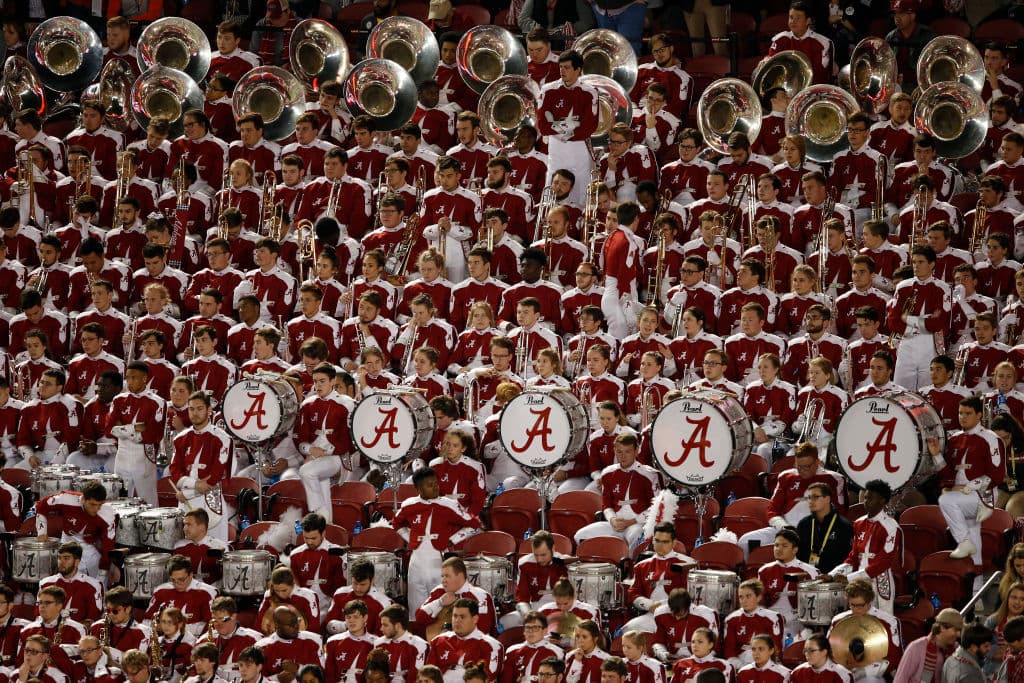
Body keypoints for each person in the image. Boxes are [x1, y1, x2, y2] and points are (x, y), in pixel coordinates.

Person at [394, 467, 480, 613]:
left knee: (440, 607)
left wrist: (452, 540)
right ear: (419, 488)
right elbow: (396, 523)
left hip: (439, 562)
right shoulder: (409, 504)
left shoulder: (449, 504)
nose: (435, 487)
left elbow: (474, 524)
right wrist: (410, 538)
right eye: (430, 485)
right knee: (416, 608)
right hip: (416, 563)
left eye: (436, 483)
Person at [935, 396, 1004, 578]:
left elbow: (996, 476)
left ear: (979, 415)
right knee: (973, 532)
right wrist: (936, 455)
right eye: (960, 413)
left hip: (985, 494)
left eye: (968, 413)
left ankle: (964, 543)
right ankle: (976, 588)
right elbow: (947, 475)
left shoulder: (991, 439)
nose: (962, 417)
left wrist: (967, 488)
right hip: (960, 495)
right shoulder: (954, 439)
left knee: (946, 502)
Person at [824, 480, 902, 613]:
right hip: (858, 577)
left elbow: (883, 562)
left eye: (870, 498)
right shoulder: (858, 523)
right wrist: (832, 574)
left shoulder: (891, 526)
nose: (866, 501)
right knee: (858, 618)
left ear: (882, 501)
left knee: (883, 619)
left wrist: (849, 578)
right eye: (865, 497)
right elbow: (853, 557)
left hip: (880, 579)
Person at [574, 433, 659, 549]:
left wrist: (632, 521)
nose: (623, 456)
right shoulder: (607, 473)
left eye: (627, 451)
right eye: (619, 452)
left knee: (637, 535)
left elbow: (655, 508)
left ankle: (629, 565)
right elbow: (606, 504)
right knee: (580, 535)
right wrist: (612, 519)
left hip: (637, 524)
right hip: (615, 524)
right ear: (614, 451)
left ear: (636, 451)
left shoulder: (650, 474)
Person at [537, 51, 598, 207]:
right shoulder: (548, 90)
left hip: (579, 150)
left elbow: (589, 128)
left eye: (567, 67)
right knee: (552, 189)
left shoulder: (589, 92)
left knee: (581, 192)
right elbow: (542, 126)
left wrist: (558, 128)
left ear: (578, 70)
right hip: (557, 150)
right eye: (560, 67)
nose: (562, 71)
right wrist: (570, 127)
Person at [35, 481, 117, 583]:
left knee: (99, 586)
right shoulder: (66, 499)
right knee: (68, 584)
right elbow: (41, 506)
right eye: (92, 504)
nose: (96, 509)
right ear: (83, 499)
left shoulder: (108, 514)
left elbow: (108, 546)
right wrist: (42, 531)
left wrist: (104, 571)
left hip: (93, 548)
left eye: (99, 505)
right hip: (68, 543)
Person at [827, 580, 902, 683]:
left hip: (873, 675)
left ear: (869, 601)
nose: (856, 609)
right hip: (843, 673)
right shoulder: (837, 621)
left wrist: (864, 670)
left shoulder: (888, 621)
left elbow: (894, 658)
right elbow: (828, 650)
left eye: (861, 605)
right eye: (852, 605)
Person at [424, 598, 502, 683]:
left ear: (475, 619)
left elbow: (489, 676)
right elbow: (428, 674)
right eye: (455, 616)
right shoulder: (438, 641)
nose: (457, 621)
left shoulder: (491, 645)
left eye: (462, 617)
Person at [721, 579, 784, 670]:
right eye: (741, 597)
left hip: (767, 664)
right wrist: (743, 667)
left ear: (758, 597)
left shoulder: (772, 618)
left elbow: (775, 649)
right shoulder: (731, 619)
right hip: (740, 665)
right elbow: (730, 652)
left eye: (748, 596)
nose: (744, 600)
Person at [795, 482, 855, 574]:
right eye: (809, 498)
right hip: (806, 577)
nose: (811, 501)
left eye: (815, 497)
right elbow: (797, 555)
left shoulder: (843, 526)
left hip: (833, 579)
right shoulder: (804, 524)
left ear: (827, 499)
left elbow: (847, 559)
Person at [38, 542, 103, 625]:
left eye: (66, 558)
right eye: (59, 558)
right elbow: (39, 617)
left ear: (77, 562)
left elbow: (93, 620)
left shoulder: (93, 585)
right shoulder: (45, 584)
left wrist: (70, 630)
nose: (61, 562)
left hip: (79, 636)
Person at [893, 607, 963, 683]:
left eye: (960, 630)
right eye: (956, 630)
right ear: (942, 628)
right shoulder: (916, 648)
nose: (959, 635)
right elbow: (900, 680)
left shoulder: (957, 650)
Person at [500, 611, 564, 683]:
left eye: (535, 627)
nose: (531, 631)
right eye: (528, 627)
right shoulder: (512, 651)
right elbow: (505, 680)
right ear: (524, 631)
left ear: (545, 630)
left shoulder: (557, 652)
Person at [373, 605, 428, 683]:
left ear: (397, 626)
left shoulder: (418, 645)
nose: (381, 629)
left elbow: (415, 677)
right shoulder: (379, 644)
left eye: (385, 625)